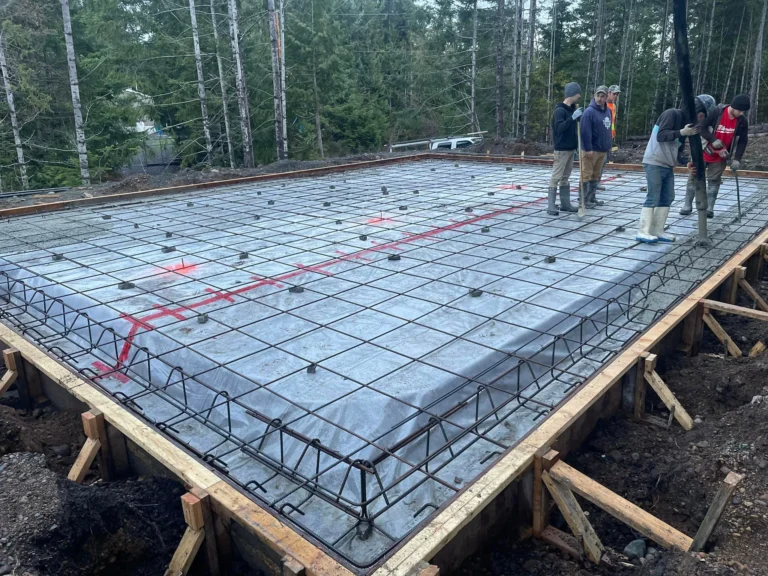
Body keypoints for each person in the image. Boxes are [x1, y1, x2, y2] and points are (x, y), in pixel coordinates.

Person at [636, 105, 702, 243]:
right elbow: (661, 136)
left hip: (667, 164)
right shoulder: (671, 114)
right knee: (653, 196)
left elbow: (678, 149)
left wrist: (686, 163)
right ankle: (643, 231)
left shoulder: (686, 126)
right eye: (700, 116)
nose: (701, 120)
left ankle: (657, 230)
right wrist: (681, 132)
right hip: (654, 161)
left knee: (668, 197)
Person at [681, 94, 750, 218]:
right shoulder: (717, 112)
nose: (741, 113)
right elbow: (701, 128)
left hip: (720, 155)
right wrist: (713, 140)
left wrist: (737, 159)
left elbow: (743, 141)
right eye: (740, 110)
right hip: (703, 150)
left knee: (714, 180)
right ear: (733, 107)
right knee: (694, 175)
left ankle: (709, 207)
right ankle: (687, 205)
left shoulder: (741, 121)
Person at [548, 82, 582, 215]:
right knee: (556, 176)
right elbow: (559, 128)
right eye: (578, 93)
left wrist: (576, 118)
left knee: (565, 177)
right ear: (572, 93)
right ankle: (551, 206)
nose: (579, 96)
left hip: (570, 148)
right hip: (561, 149)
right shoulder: (560, 110)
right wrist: (572, 119)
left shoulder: (572, 109)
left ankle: (565, 204)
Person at [579, 85, 613, 207]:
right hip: (591, 150)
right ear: (594, 96)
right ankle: (583, 200)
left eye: (602, 96)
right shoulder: (589, 112)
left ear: (606, 97)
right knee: (586, 174)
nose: (600, 98)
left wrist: (609, 146)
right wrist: (588, 149)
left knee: (596, 175)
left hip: (602, 149)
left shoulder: (608, 111)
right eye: (598, 95)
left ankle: (592, 197)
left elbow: (608, 130)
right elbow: (585, 132)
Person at [597, 85, 621, 191]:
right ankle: (595, 182)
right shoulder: (604, 105)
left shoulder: (613, 106)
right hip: (602, 137)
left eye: (617, 94)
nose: (616, 96)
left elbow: (612, 122)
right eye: (614, 93)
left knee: (604, 160)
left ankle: (597, 181)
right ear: (609, 93)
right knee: (599, 161)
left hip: (609, 137)